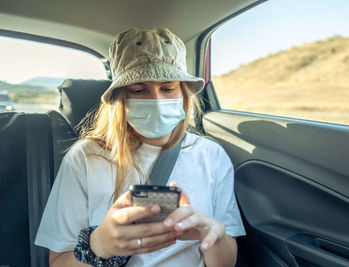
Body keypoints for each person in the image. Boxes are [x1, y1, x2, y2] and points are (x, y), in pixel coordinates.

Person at [35, 27, 245, 267]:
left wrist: (214, 234)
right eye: (138, 90)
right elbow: (58, 261)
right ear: (119, 97)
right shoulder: (86, 157)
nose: (156, 100)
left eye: (167, 88)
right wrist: (99, 246)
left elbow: (225, 262)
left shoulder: (211, 155)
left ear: (184, 94)